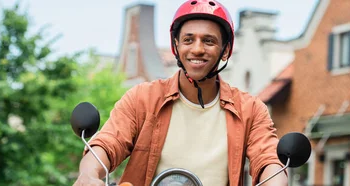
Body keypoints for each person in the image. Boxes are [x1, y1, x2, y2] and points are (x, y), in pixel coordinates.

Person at [72, 0, 288, 185]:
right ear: (175, 47)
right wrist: (88, 175)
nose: (197, 49)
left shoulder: (250, 109)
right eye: (188, 39)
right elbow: (107, 143)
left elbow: (268, 159)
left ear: (226, 51)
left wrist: (275, 180)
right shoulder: (142, 98)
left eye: (209, 41)